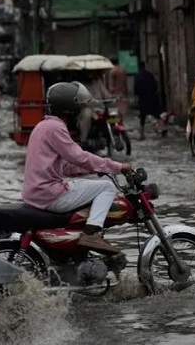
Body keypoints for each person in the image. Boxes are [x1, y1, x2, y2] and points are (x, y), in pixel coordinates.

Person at [21, 81, 132, 253]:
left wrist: (96, 168)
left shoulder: (43, 126)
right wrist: (116, 166)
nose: (80, 112)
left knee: (91, 186)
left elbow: (65, 167)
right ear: (69, 109)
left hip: (37, 193)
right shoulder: (55, 128)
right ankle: (92, 233)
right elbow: (79, 157)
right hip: (48, 194)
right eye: (78, 107)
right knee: (107, 187)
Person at [77, 70, 112, 145]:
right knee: (86, 114)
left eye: (91, 72)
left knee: (112, 114)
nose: (90, 74)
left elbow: (106, 95)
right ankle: (84, 139)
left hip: (100, 108)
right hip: (88, 108)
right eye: (88, 73)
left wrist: (112, 97)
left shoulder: (98, 82)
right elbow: (80, 98)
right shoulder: (80, 85)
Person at [133, 61, 165, 140]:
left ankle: (142, 134)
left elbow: (136, 89)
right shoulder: (150, 75)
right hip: (152, 98)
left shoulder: (137, 76)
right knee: (156, 114)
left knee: (142, 117)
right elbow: (155, 85)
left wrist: (137, 96)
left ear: (139, 67)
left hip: (143, 99)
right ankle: (163, 127)